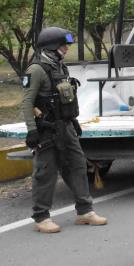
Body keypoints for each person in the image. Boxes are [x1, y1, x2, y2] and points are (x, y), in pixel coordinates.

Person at [22, 27, 107, 233]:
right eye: (63, 44)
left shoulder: (60, 67)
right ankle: (41, 217)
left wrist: (73, 121)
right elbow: (26, 103)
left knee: (77, 165)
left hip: (66, 127)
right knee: (45, 172)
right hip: (47, 130)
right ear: (52, 46)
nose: (66, 48)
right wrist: (32, 130)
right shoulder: (37, 70)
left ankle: (85, 211)